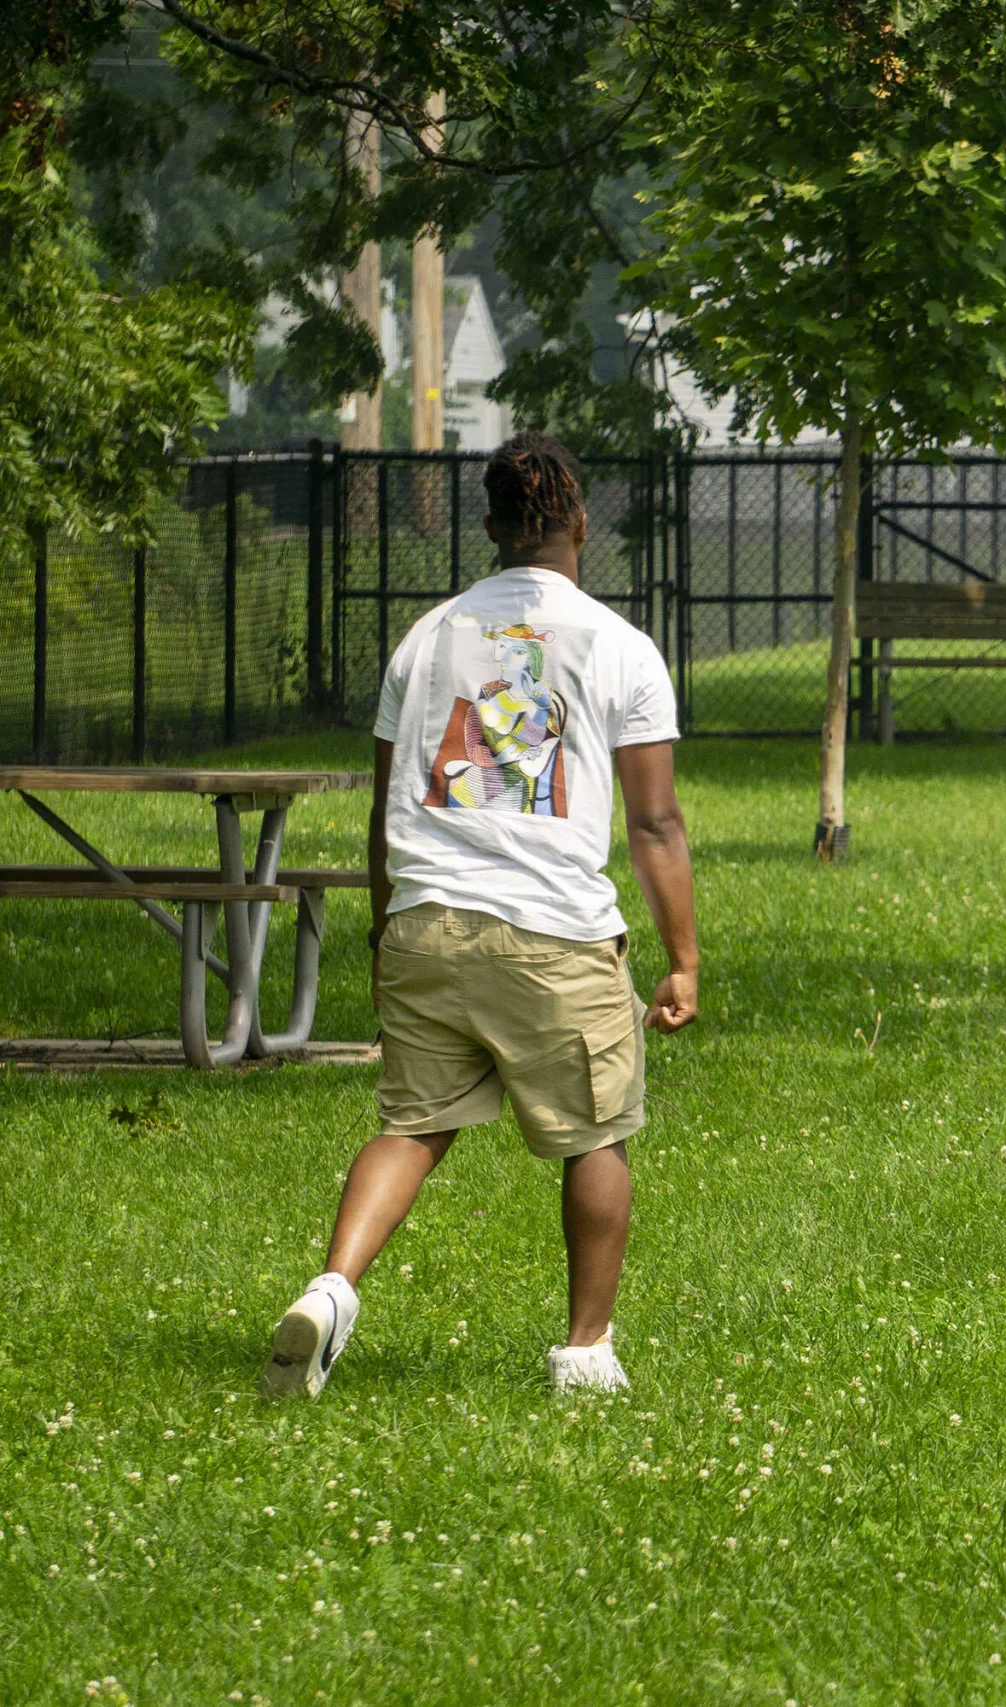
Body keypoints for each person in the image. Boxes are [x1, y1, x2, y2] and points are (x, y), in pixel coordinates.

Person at [261, 433, 700, 1398]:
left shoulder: (425, 639)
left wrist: (385, 932)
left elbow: (388, 812)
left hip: (426, 923)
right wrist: (683, 957)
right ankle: (585, 1353)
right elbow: (655, 823)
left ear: (492, 526)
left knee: (412, 1126)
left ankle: (332, 1289)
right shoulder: (619, 646)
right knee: (596, 1135)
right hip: (555, 935)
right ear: (580, 521)